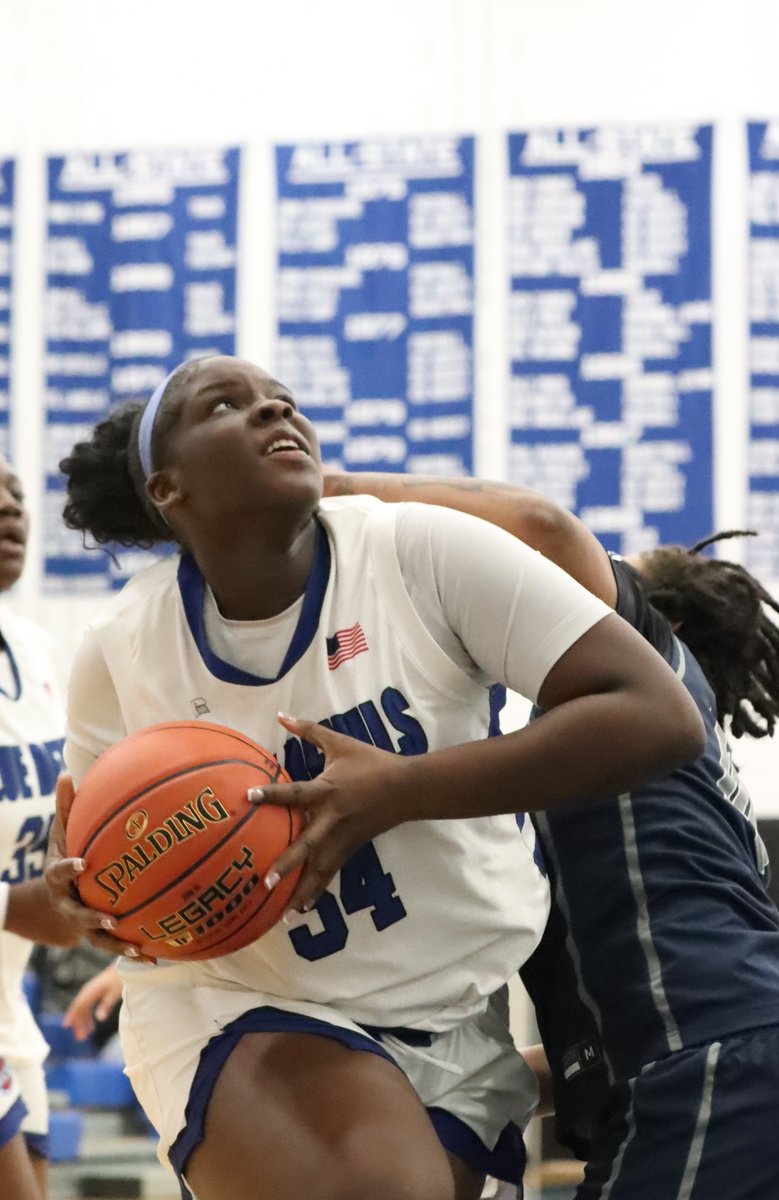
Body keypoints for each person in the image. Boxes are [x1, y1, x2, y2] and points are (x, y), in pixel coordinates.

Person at [42, 354, 703, 1200]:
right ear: (167, 489)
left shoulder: (419, 549)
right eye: (226, 406)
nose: (274, 411)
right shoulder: (124, 645)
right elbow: (92, 846)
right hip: (241, 1000)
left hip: (457, 1014)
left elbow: (657, 714)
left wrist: (398, 789)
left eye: (282, 399)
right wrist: (88, 892)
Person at [309, 468, 779, 1200]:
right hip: (729, 1063)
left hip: (707, 1073)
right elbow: (600, 1045)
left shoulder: (645, 674)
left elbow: (543, 529)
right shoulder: (636, 769)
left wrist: (320, 490)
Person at [0, 455, 80, 1200]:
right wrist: (13, 904)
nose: (10, 509)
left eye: (16, 493)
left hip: (9, 1000)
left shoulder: (34, 646)